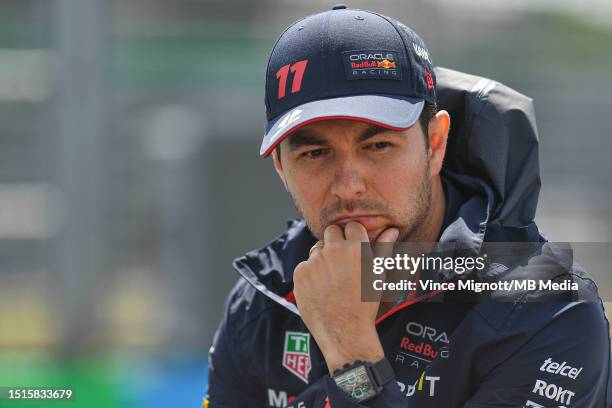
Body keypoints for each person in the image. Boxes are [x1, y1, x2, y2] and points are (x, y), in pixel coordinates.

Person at [204, 5, 611, 407]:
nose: (348, 186)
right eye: (314, 154)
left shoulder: (551, 306)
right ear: (281, 167)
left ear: (435, 144)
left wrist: (351, 355)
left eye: (378, 145)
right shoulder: (260, 300)